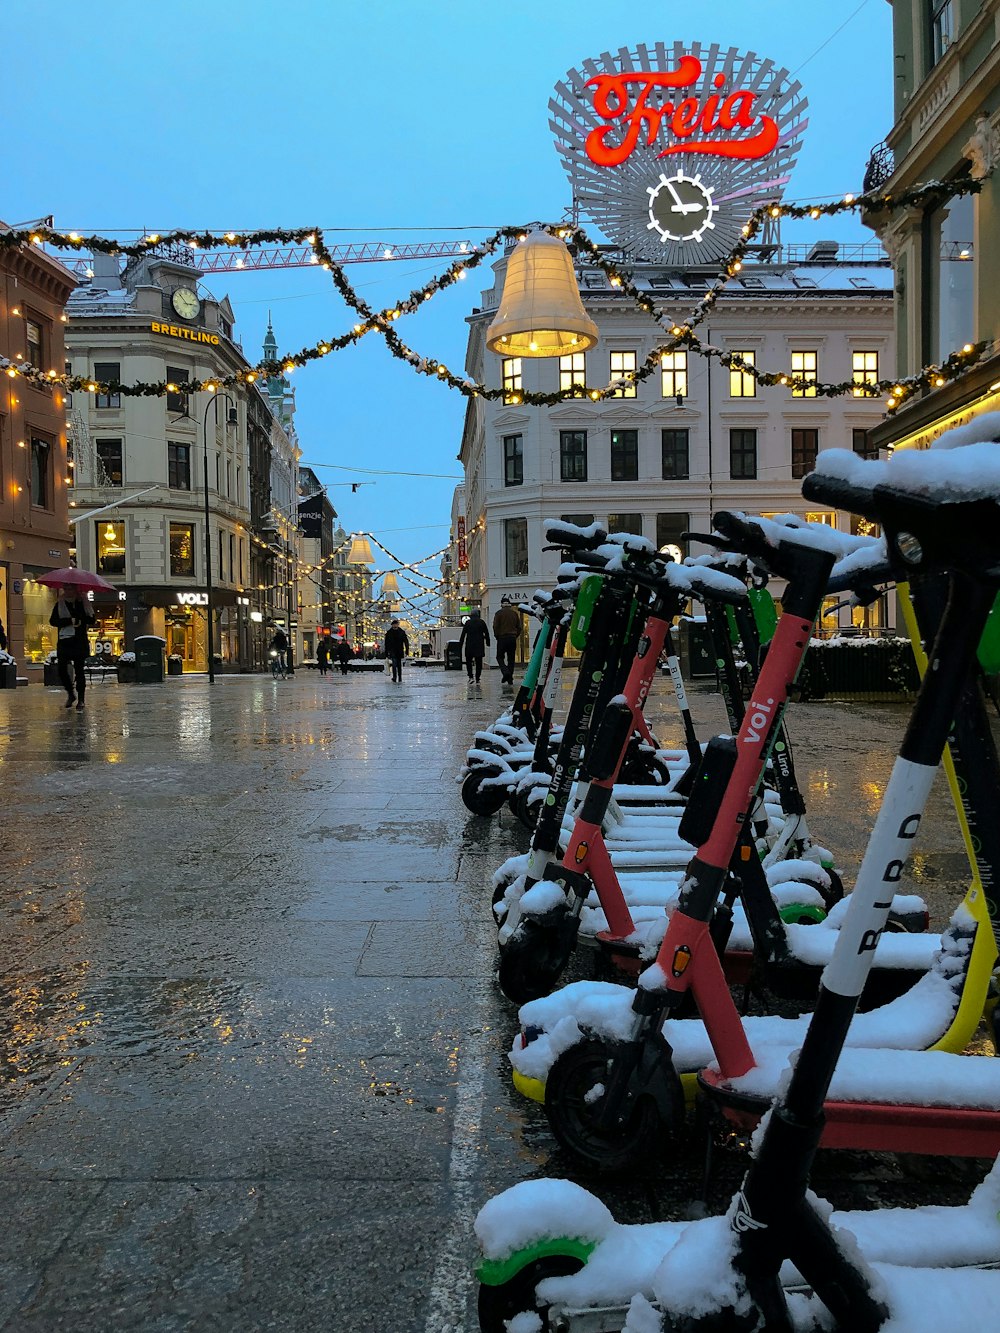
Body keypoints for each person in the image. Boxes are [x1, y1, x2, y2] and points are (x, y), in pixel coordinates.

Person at [49, 589, 95, 710]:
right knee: (61, 669)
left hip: (79, 641)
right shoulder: (60, 604)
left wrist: (80, 619)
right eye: (66, 587)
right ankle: (70, 693)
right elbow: (53, 621)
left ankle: (81, 699)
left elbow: (92, 619)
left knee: (79, 670)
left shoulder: (84, 603)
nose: (68, 590)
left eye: (71, 587)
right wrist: (69, 621)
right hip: (65, 641)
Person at [492, 595, 521, 686]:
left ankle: (505, 672)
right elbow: (519, 627)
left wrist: (497, 636)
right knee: (511, 659)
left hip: (502, 638)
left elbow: (495, 626)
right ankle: (510, 679)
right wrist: (515, 635)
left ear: (501, 604)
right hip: (512, 638)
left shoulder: (498, 613)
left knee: (499, 657)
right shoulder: (514, 614)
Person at [458, 609, 490, 686]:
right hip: (479, 644)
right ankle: (478, 678)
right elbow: (486, 633)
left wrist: (460, 644)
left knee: (468, 661)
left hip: (470, 645)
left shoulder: (468, 623)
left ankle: (471, 677)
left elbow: (463, 634)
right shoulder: (481, 622)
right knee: (479, 662)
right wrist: (488, 642)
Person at [384, 618, 409, 683]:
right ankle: (395, 677)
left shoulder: (402, 632)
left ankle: (399, 677)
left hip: (399, 650)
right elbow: (386, 644)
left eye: (396, 624)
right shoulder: (389, 633)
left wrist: (407, 651)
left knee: (399, 665)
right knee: (394, 664)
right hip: (392, 651)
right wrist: (386, 653)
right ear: (392, 625)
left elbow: (406, 642)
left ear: (398, 625)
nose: (395, 626)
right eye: (394, 625)